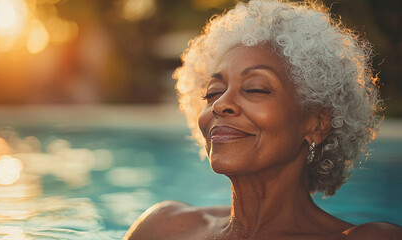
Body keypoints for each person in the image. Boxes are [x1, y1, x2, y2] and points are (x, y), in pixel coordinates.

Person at [123, 0, 402, 239]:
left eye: (256, 88)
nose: (221, 105)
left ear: (316, 123)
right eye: (213, 93)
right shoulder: (162, 227)